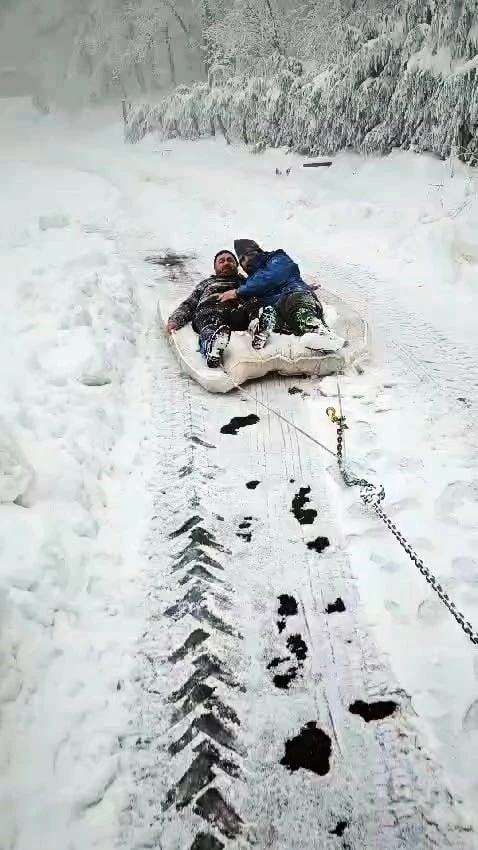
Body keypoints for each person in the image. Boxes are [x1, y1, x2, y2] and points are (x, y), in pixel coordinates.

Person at [166, 250, 275, 368]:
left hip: (237, 313)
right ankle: (211, 346)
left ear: (236, 265)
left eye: (230, 260)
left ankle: (258, 330)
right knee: (210, 317)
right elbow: (189, 304)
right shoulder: (207, 283)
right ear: (215, 267)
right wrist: (176, 320)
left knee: (255, 302)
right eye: (221, 261)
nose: (226, 263)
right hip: (211, 313)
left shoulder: (245, 282)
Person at [219, 239, 327, 337]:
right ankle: (264, 332)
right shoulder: (251, 281)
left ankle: (318, 332)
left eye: (247, 255)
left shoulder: (277, 259)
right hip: (281, 308)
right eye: (241, 259)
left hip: (296, 297)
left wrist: (238, 291)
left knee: (294, 304)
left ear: (257, 251)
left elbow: (271, 277)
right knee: (269, 311)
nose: (245, 262)